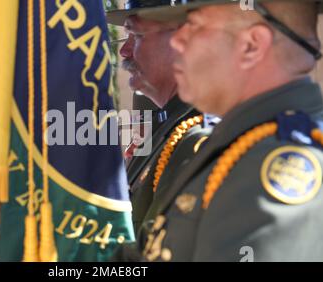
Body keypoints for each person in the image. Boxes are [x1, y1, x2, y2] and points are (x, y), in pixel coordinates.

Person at [131, 0, 323, 261]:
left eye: (194, 25)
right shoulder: (238, 144)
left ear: (251, 45)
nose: (177, 41)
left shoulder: (281, 165)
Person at [107, 0, 212, 233]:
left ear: (182, 40)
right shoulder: (166, 129)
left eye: (135, 34)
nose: (124, 51)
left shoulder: (197, 136)